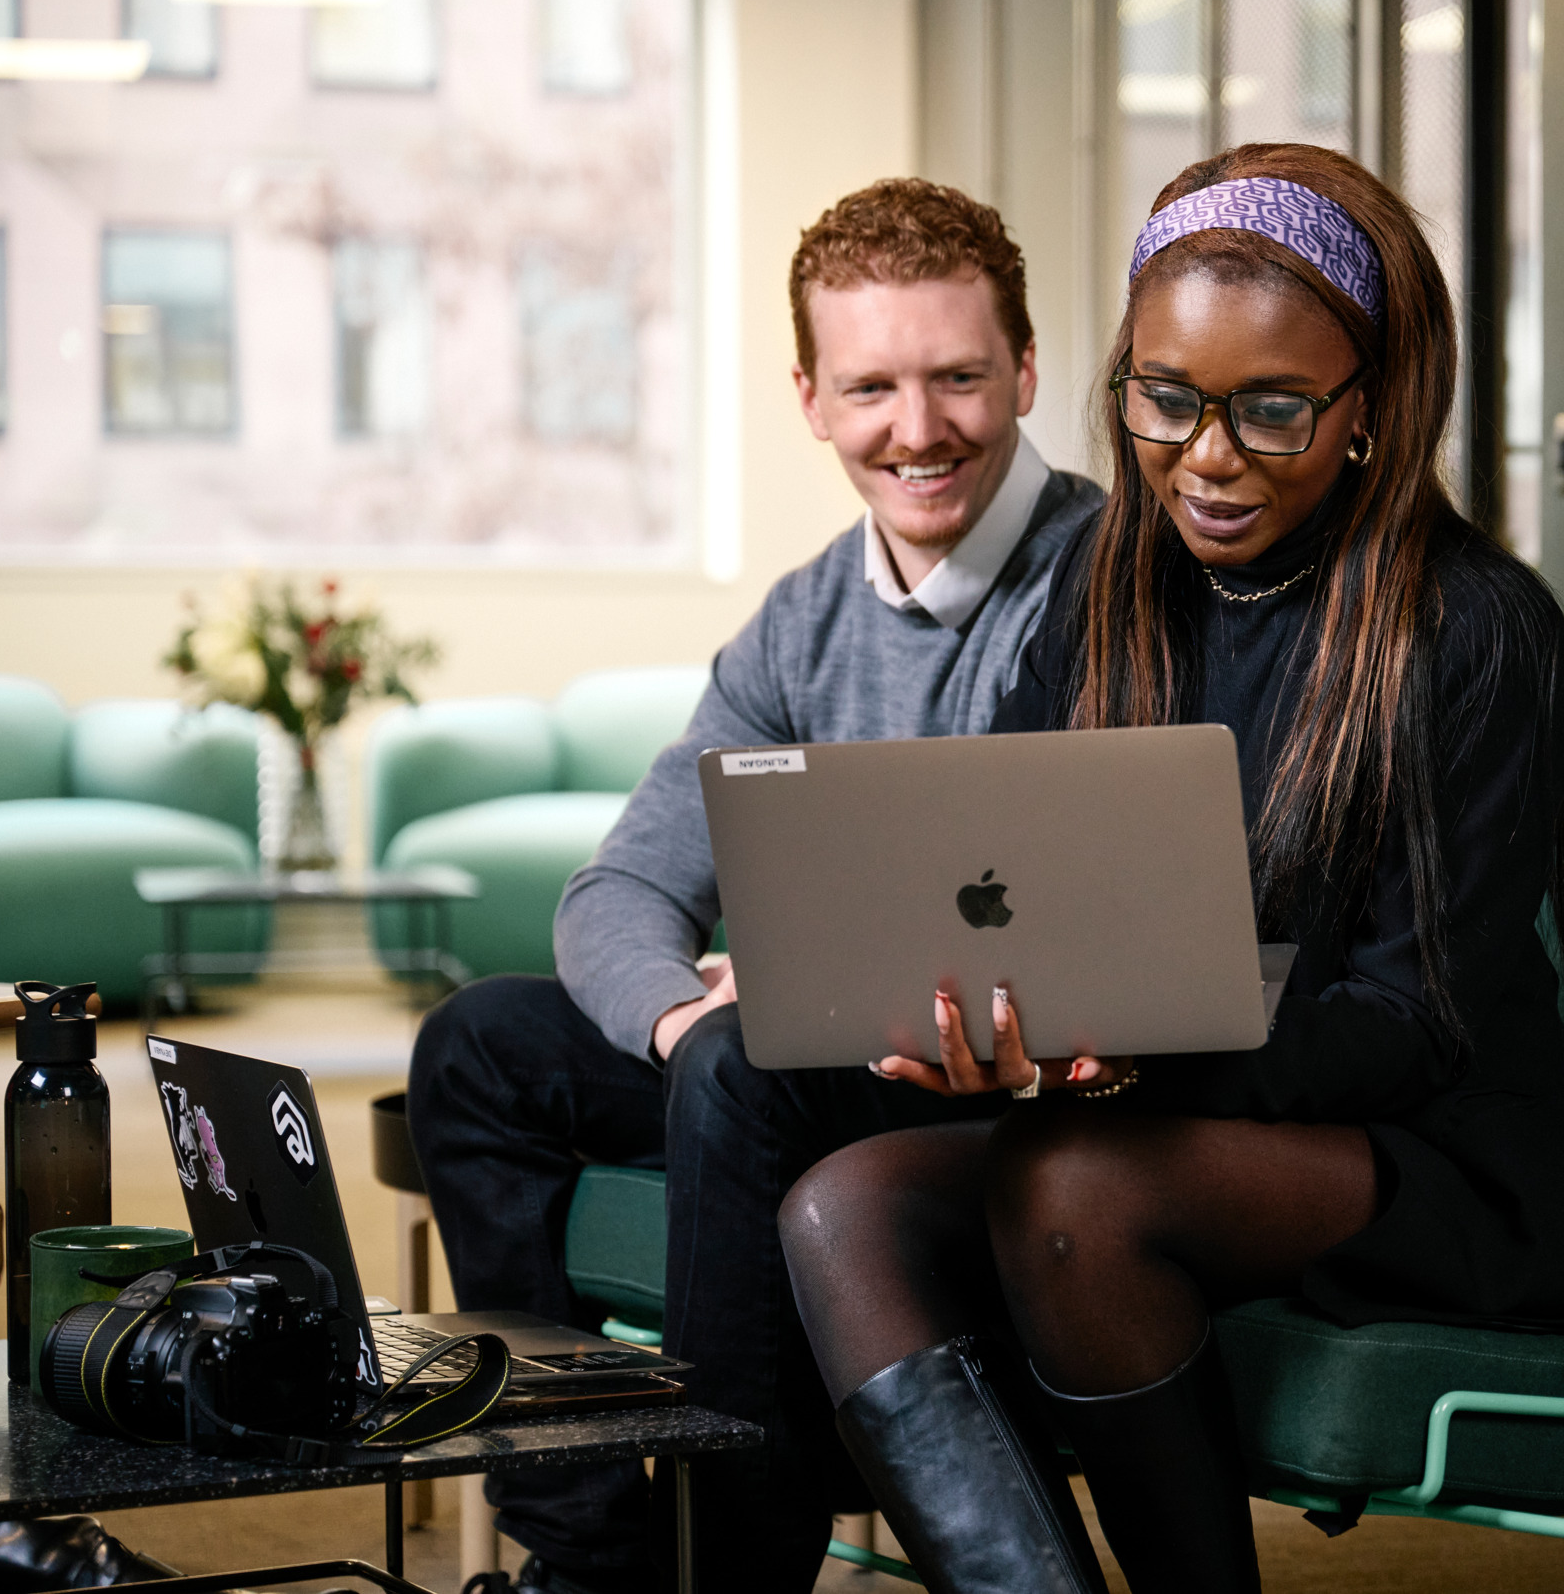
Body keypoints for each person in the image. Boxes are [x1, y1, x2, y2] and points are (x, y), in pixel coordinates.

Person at [775, 142, 1564, 1594]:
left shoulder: (1478, 626)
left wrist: (1124, 1067)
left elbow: (1412, 1021)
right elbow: (1004, 876)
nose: (1209, 456)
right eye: (1167, 400)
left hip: (1446, 1160)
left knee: (1072, 1184)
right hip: (1170, 1110)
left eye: (1273, 411)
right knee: (840, 1204)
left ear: (1368, 406)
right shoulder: (1107, 588)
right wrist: (995, 1025)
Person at [406, 179, 1102, 1594]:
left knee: (739, 1063)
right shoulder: (803, 617)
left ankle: (726, 1570)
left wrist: (775, 991)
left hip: (994, 1077)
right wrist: (676, 1014)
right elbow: (620, 890)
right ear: (811, 398)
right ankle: (600, 1550)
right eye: (873, 386)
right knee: (480, 1045)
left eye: (960, 376)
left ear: (1027, 368)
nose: (919, 429)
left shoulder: (1113, 578)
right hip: (796, 1052)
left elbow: (1055, 907)